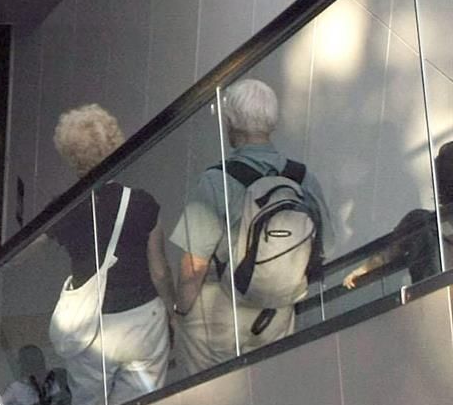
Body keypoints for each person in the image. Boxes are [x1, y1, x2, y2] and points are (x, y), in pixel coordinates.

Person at [171, 78, 331, 375]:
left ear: (231, 124)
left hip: (222, 311)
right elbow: (324, 245)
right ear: (272, 122)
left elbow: (193, 267)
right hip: (279, 311)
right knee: (273, 387)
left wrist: (179, 313)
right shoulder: (302, 177)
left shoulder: (215, 181)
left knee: (208, 395)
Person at [44, 105, 171, 405]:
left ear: (70, 155)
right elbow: (159, 272)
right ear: (115, 146)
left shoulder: (65, 209)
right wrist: (174, 311)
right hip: (144, 322)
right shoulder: (142, 203)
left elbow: (21, 252)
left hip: (93, 332)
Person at [342, 143, 453, 290]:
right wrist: (363, 270)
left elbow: (388, 254)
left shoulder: (420, 221)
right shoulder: (422, 222)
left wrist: (362, 270)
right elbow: (388, 254)